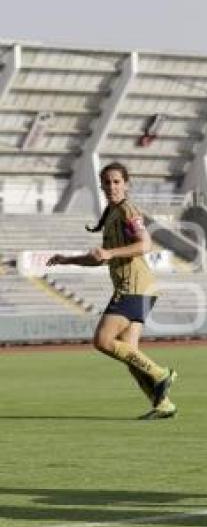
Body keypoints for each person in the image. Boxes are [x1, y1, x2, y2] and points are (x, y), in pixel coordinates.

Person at [47, 162, 177, 420]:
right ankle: (163, 404)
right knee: (129, 352)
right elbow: (101, 258)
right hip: (140, 288)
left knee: (103, 341)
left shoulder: (128, 210)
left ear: (126, 184)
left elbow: (145, 244)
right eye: (106, 182)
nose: (111, 187)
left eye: (116, 182)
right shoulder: (112, 214)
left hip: (134, 287)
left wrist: (110, 252)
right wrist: (67, 260)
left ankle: (160, 374)